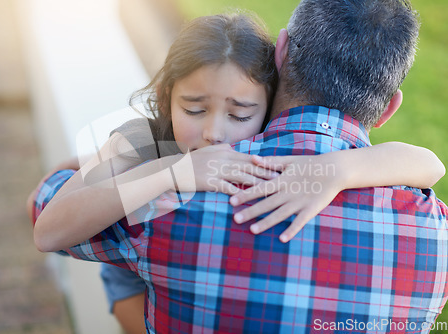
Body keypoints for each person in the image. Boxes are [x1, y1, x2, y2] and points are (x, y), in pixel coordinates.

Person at [27, 2, 448, 333]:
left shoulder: (178, 200)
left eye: (240, 112)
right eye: (194, 108)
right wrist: (170, 169)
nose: (215, 133)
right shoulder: (435, 232)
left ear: (279, 63)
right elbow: (430, 164)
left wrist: (337, 169)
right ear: (391, 108)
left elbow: (44, 208)